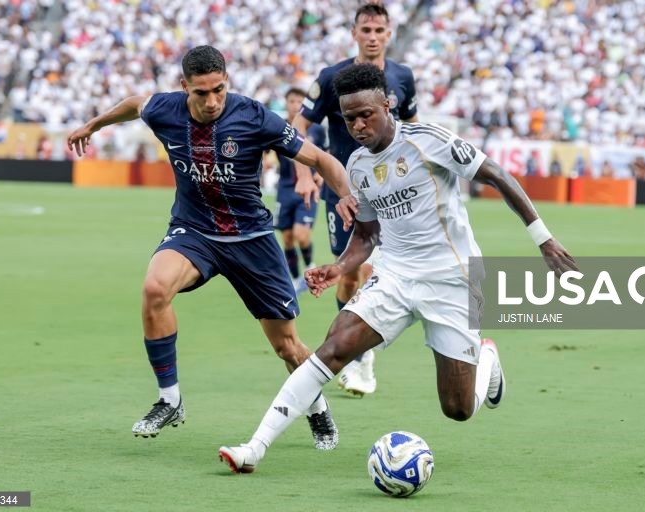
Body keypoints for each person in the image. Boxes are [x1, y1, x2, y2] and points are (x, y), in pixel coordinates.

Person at [218, 63, 577, 474]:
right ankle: (254, 447)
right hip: (395, 275)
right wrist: (339, 267)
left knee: (457, 409)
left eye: (365, 114)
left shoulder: (429, 141)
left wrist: (544, 239)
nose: (357, 125)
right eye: (349, 118)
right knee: (333, 348)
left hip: (453, 278)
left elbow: (497, 175)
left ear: (387, 105)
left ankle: (486, 358)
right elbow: (368, 234)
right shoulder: (356, 165)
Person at [66, 45, 352, 450]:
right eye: (201, 93)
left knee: (286, 346)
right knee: (154, 290)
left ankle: (318, 407)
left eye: (219, 89)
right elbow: (135, 104)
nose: (212, 100)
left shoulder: (253, 116)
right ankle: (170, 399)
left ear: (227, 82)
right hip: (194, 231)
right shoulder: (164, 109)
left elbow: (321, 158)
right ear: (184, 87)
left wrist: (343, 194)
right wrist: (94, 125)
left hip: (251, 239)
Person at [291, 2, 418, 397]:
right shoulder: (332, 78)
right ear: (355, 33)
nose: (374, 37)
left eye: (380, 30)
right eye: (367, 30)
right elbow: (299, 124)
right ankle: (358, 346)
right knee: (348, 273)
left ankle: (360, 353)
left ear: (389, 33)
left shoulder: (403, 77)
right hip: (344, 192)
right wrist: (303, 172)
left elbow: (412, 127)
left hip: (392, 190)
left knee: (371, 271)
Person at [273, 88, 327, 295]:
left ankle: (310, 265)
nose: (295, 105)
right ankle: (296, 279)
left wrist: (321, 175)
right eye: (292, 101)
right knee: (287, 238)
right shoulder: (276, 128)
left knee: (301, 235)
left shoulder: (315, 130)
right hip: (284, 189)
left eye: (299, 102)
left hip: (308, 189)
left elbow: (326, 153)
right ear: (286, 104)